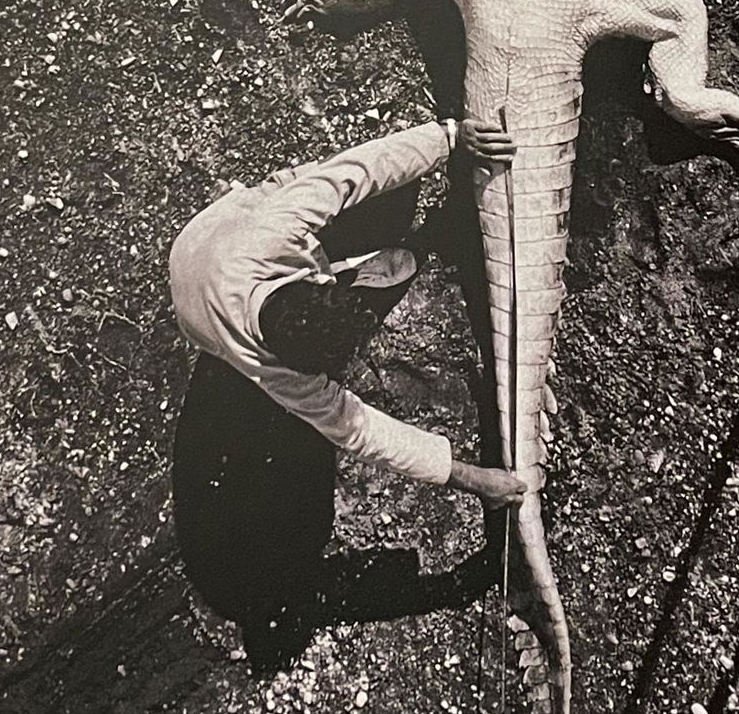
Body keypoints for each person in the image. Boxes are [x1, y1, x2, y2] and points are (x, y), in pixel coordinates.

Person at [169, 116, 527, 507]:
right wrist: (471, 479)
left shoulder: (271, 230)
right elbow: (361, 433)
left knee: (394, 196)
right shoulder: (277, 373)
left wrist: (451, 137)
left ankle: (350, 266)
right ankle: (354, 270)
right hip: (200, 281)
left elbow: (358, 170)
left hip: (224, 234)